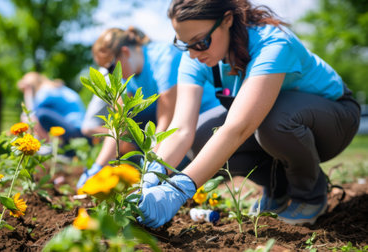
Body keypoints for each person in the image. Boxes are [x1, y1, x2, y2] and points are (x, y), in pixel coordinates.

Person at [137, 0, 361, 228]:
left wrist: (179, 189)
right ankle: (278, 190)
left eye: (200, 42)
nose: (193, 54)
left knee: (274, 121)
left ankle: (310, 194)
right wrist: (155, 171)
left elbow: (238, 126)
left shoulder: (272, 43)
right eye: (184, 44)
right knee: (201, 135)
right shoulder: (198, 56)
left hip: (335, 119)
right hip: (275, 126)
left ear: (227, 20)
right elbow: (182, 128)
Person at [77, 27, 223, 189]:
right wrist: (97, 167)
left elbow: (165, 122)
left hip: (204, 115)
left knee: (174, 170)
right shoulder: (127, 77)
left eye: (111, 68)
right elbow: (118, 124)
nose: (111, 75)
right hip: (179, 124)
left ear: (125, 52)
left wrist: (150, 168)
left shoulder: (163, 59)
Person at [17, 72, 86, 143]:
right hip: (78, 127)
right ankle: (53, 145)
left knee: (31, 116)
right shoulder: (52, 86)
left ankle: (50, 146)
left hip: (75, 128)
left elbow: (31, 112)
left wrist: (27, 94)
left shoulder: (44, 90)